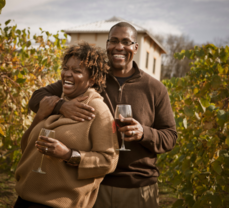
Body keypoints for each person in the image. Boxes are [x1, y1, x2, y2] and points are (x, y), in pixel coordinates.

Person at [28, 22, 177, 208]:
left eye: (126, 42)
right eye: (113, 41)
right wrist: (61, 105)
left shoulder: (155, 88)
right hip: (93, 185)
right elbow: (37, 98)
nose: (119, 47)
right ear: (107, 45)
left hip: (138, 187)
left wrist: (144, 133)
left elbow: (170, 136)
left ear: (135, 47)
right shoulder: (91, 77)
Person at [14, 42, 119, 208]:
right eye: (65, 68)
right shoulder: (54, 102)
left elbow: (108, 161)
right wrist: (40, 116)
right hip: (24, 200)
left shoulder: (98, 110)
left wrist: (69, 154)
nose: (67, 74)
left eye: (77, 71)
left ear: (92, 80)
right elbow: (26, 148)